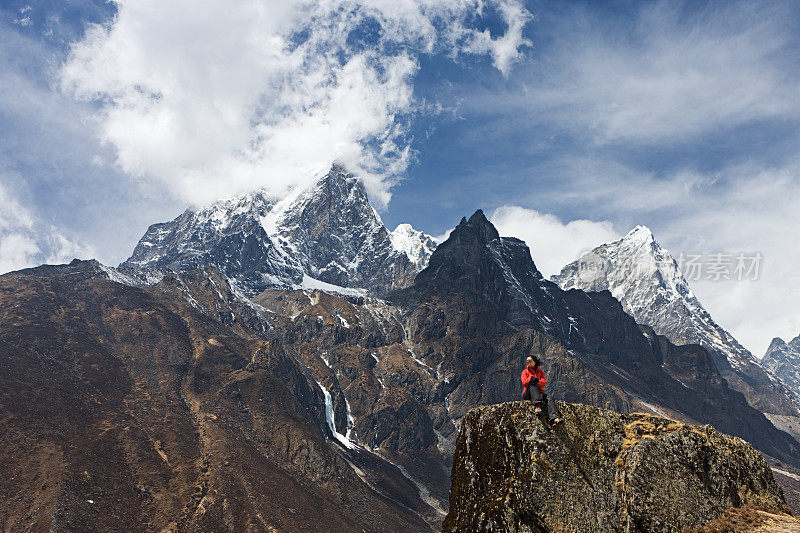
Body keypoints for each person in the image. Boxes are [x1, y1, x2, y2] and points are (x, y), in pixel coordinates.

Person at [521, 355, 563, 427]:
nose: (527, 362)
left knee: (549, 398)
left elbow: (544, 382)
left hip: (537, 393)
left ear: (534, 362)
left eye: (529, 361)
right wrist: (531, 379)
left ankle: (554, 419)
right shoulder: (525, 372)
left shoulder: (540, 372)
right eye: (527, 361)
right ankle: (537, 406)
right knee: (533, 384)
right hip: (528, 393)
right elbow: (524, 382)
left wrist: (537, 381)